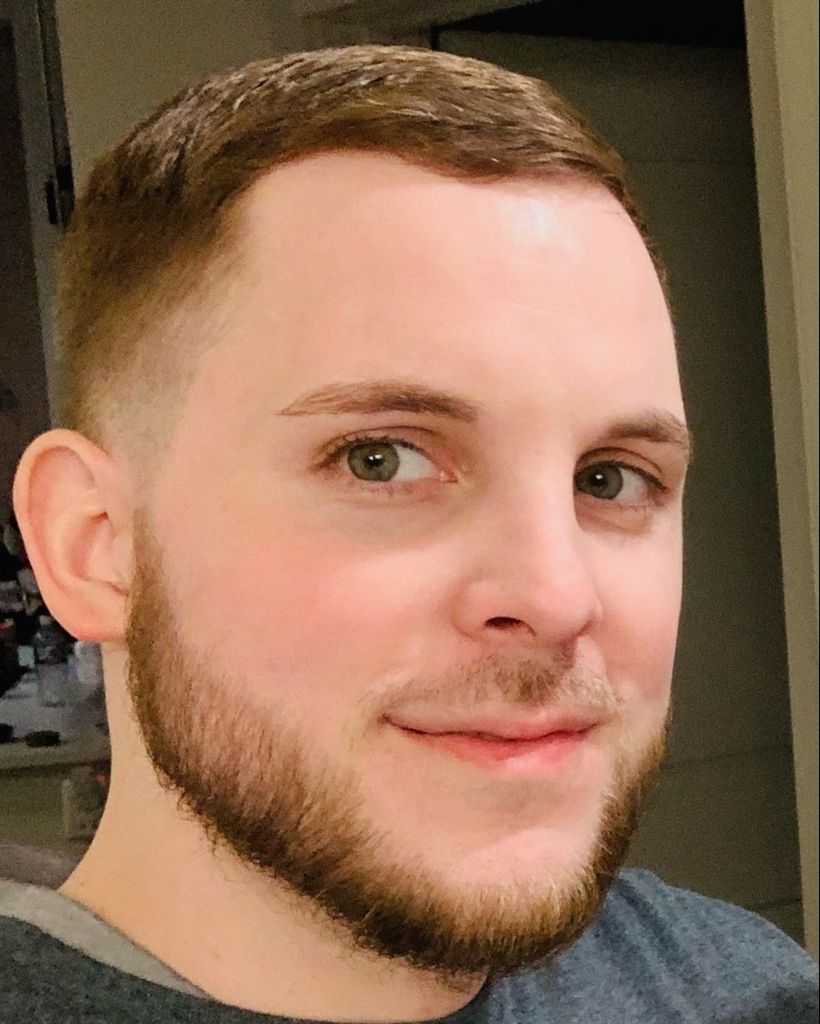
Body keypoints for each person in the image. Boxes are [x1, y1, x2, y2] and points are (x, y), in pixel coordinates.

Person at [1, 43, 816, 1024]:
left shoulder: (743, 987)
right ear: (93, 544)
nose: (558, 597)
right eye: (380, 460)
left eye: (610, 478)